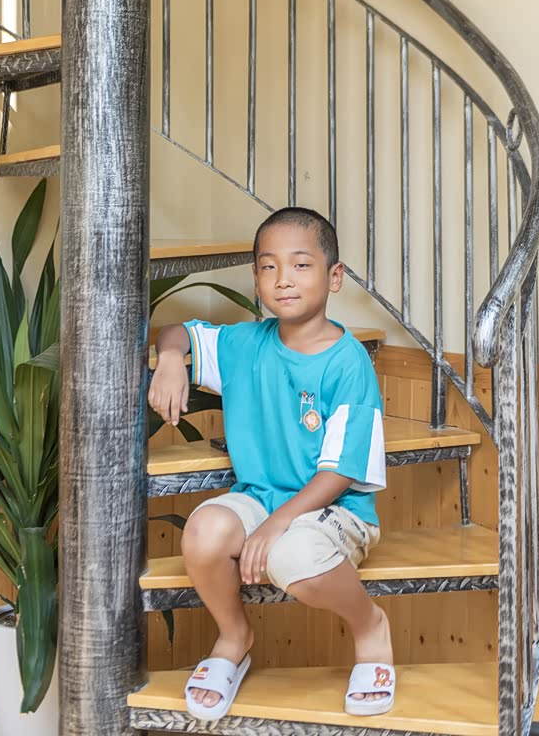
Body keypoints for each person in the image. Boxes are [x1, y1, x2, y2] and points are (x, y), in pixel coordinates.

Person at [148, 206, 395, 722]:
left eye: (301, 265)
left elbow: (342, 472)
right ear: (256, 278)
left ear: (334, 276)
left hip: (337, 510)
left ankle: (370, 627)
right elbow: (175, 332)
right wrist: (171, 361)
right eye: (268, 266)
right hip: (261, 498)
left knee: (291, 556)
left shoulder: (348, 362)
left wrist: (275, 525)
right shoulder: (244, 344)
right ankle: (234, 636)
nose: (283, 279)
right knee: (203, 533)